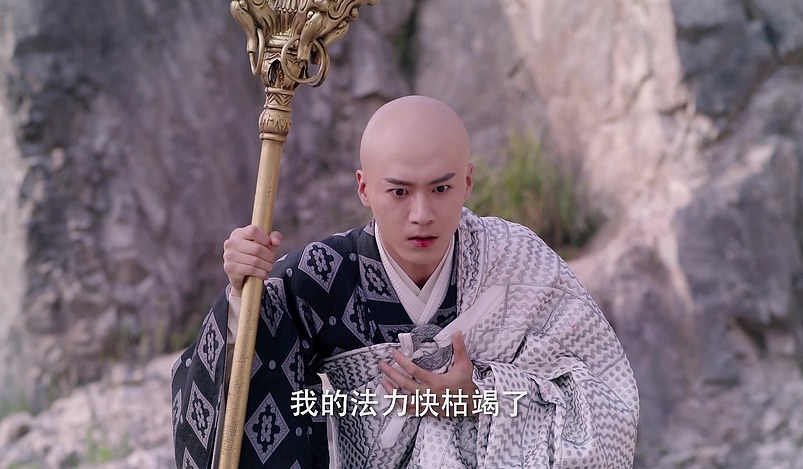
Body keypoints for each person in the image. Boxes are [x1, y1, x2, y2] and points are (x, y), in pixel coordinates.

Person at [171, 96, 639, 468]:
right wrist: (243, 292)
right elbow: (250, 376)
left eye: (441, 188)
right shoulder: (325, 275)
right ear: (364, 188)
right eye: (398, 191)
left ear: (468, 182)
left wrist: (479, 399)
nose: (422, 214)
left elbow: (606, 406)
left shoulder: (517, 263)